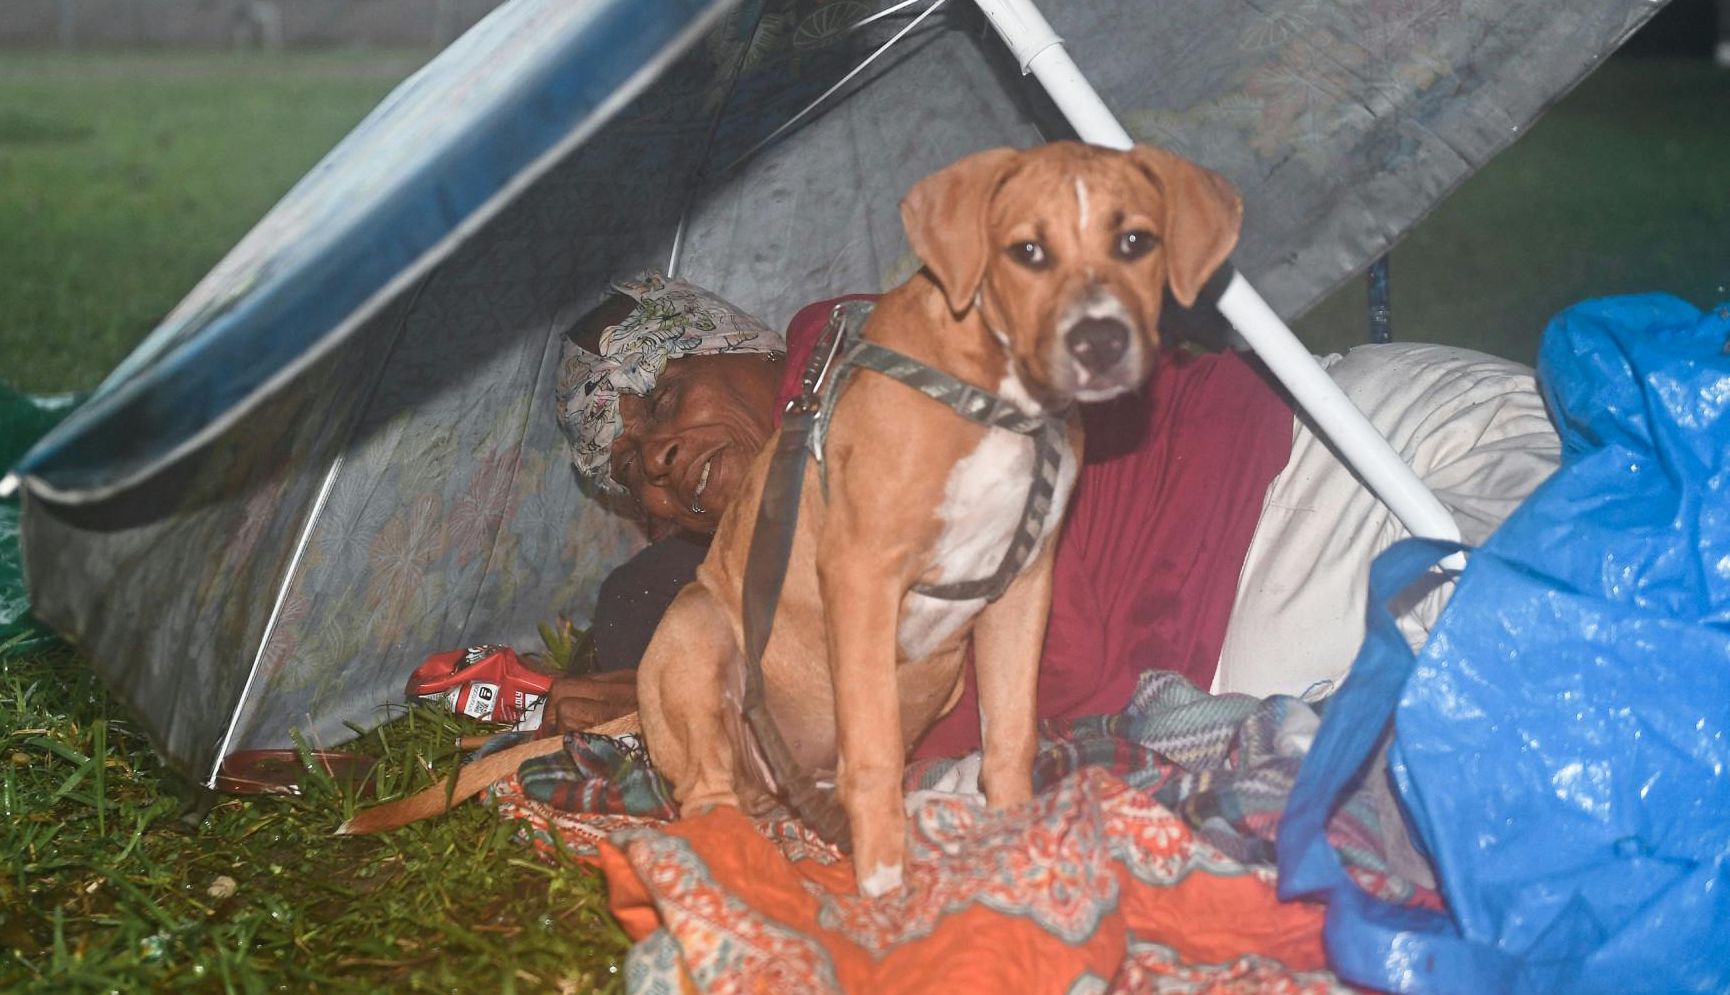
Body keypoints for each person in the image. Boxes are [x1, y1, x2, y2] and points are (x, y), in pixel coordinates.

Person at [539, 272, 1560, 752]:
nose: (662, 455)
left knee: (1582, 629)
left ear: (752, 346)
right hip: (1247, 674)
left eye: (664, 395)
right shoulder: (757, 591)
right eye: (635, 469)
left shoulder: (863, 349)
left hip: (1336, 476)